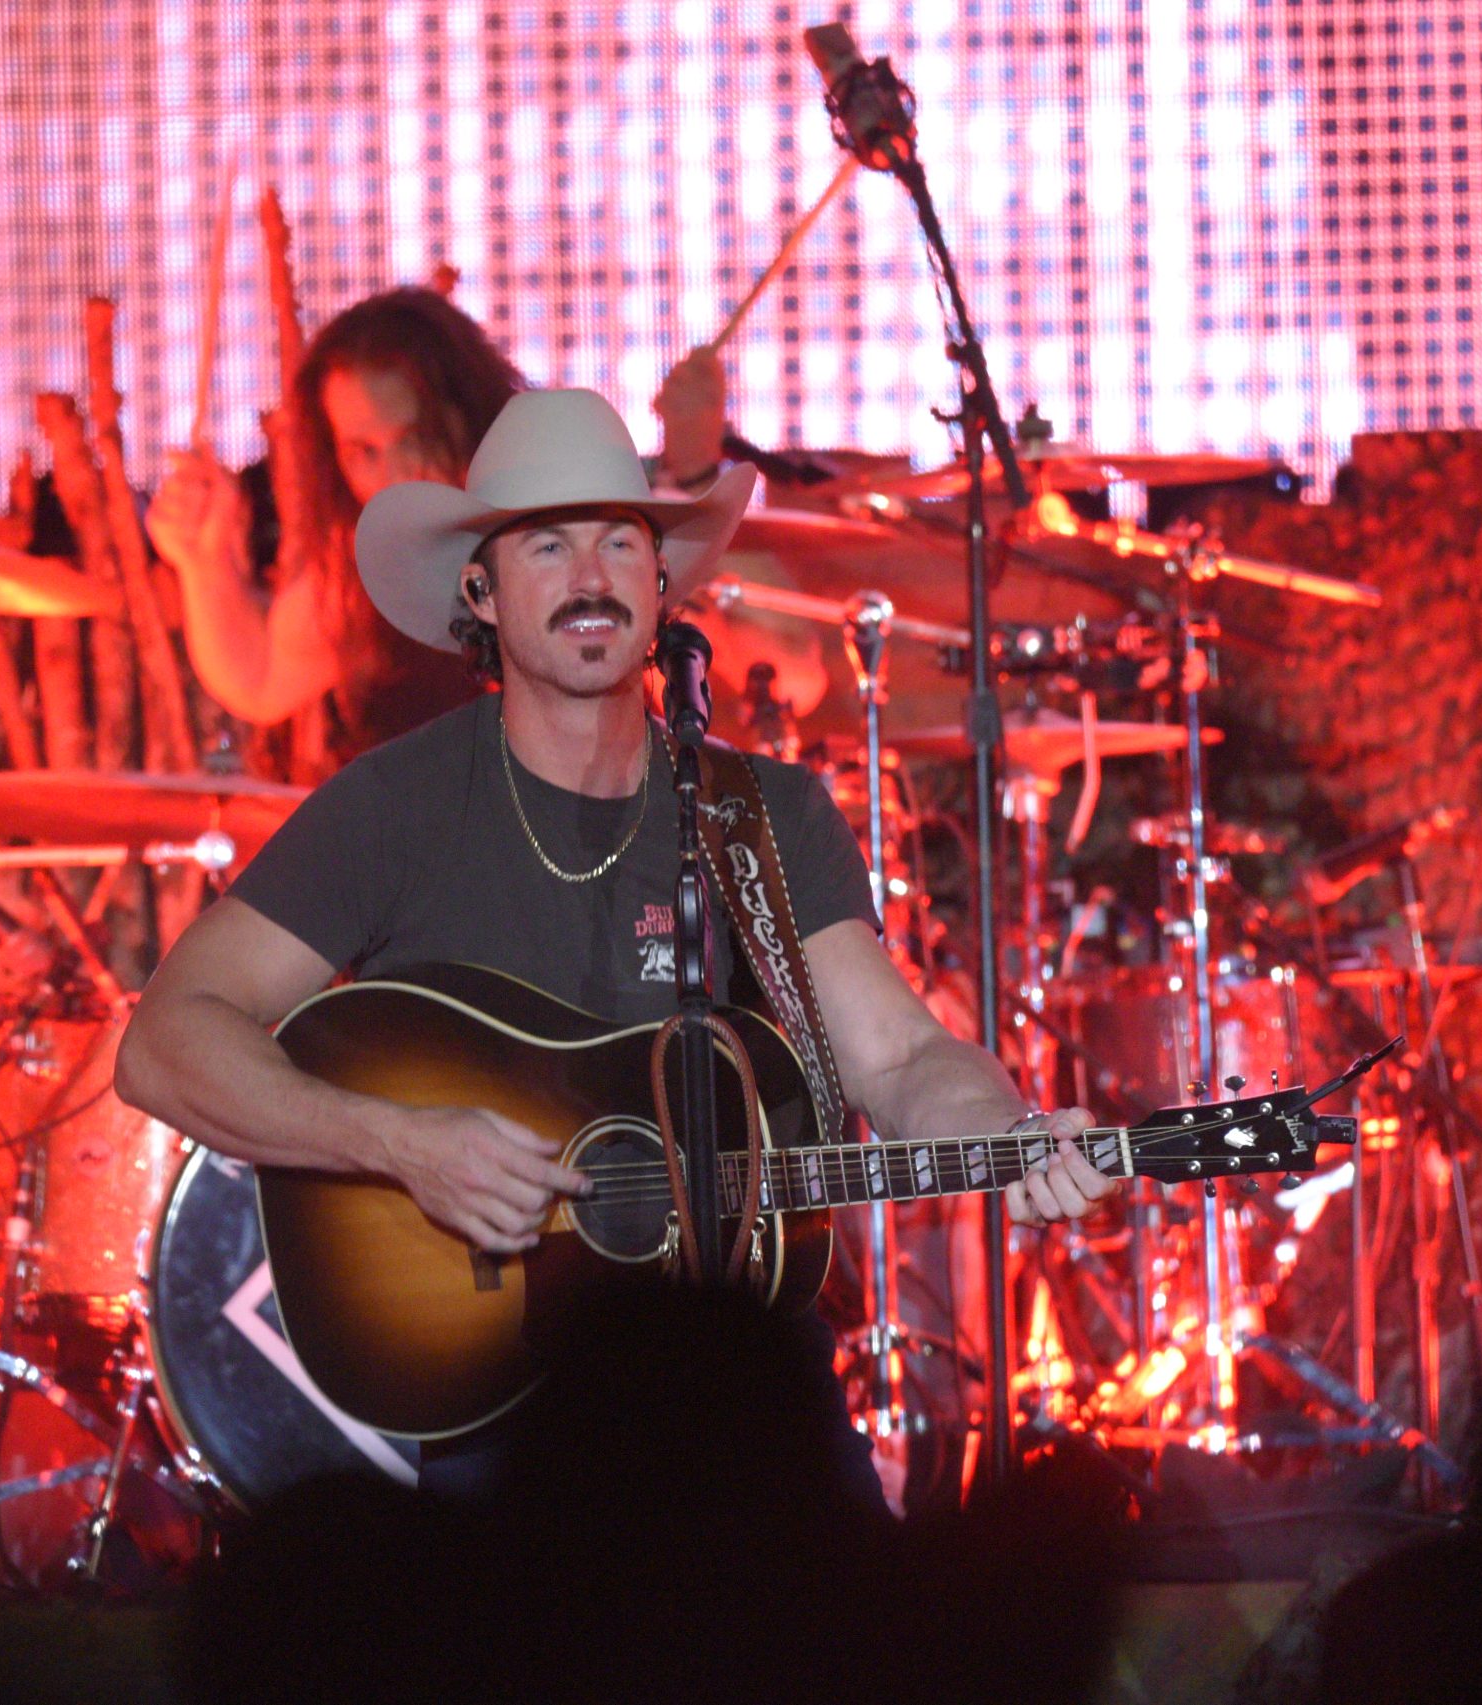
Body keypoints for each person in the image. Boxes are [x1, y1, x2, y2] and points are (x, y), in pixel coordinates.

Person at [114, 390, 1116, 1463]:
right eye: (547, 546)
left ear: (660, 587)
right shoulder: (393, 806)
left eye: (618, 545)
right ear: (481, 592)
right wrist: (400, 1146)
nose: (590, 578)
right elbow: (164, 1043)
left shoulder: (761, 816)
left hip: (741, 1383)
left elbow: (903, 1055)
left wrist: (1005, 1134)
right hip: (506, 1402)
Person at [148, 288, 743, 782]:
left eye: (413, 438)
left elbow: (783, 663)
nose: (393, 473)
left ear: (467, 413)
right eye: (363, 452)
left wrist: (691, 471)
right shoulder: (364, 566)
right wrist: (203, 563)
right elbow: (263, 678)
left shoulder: (572, 528)